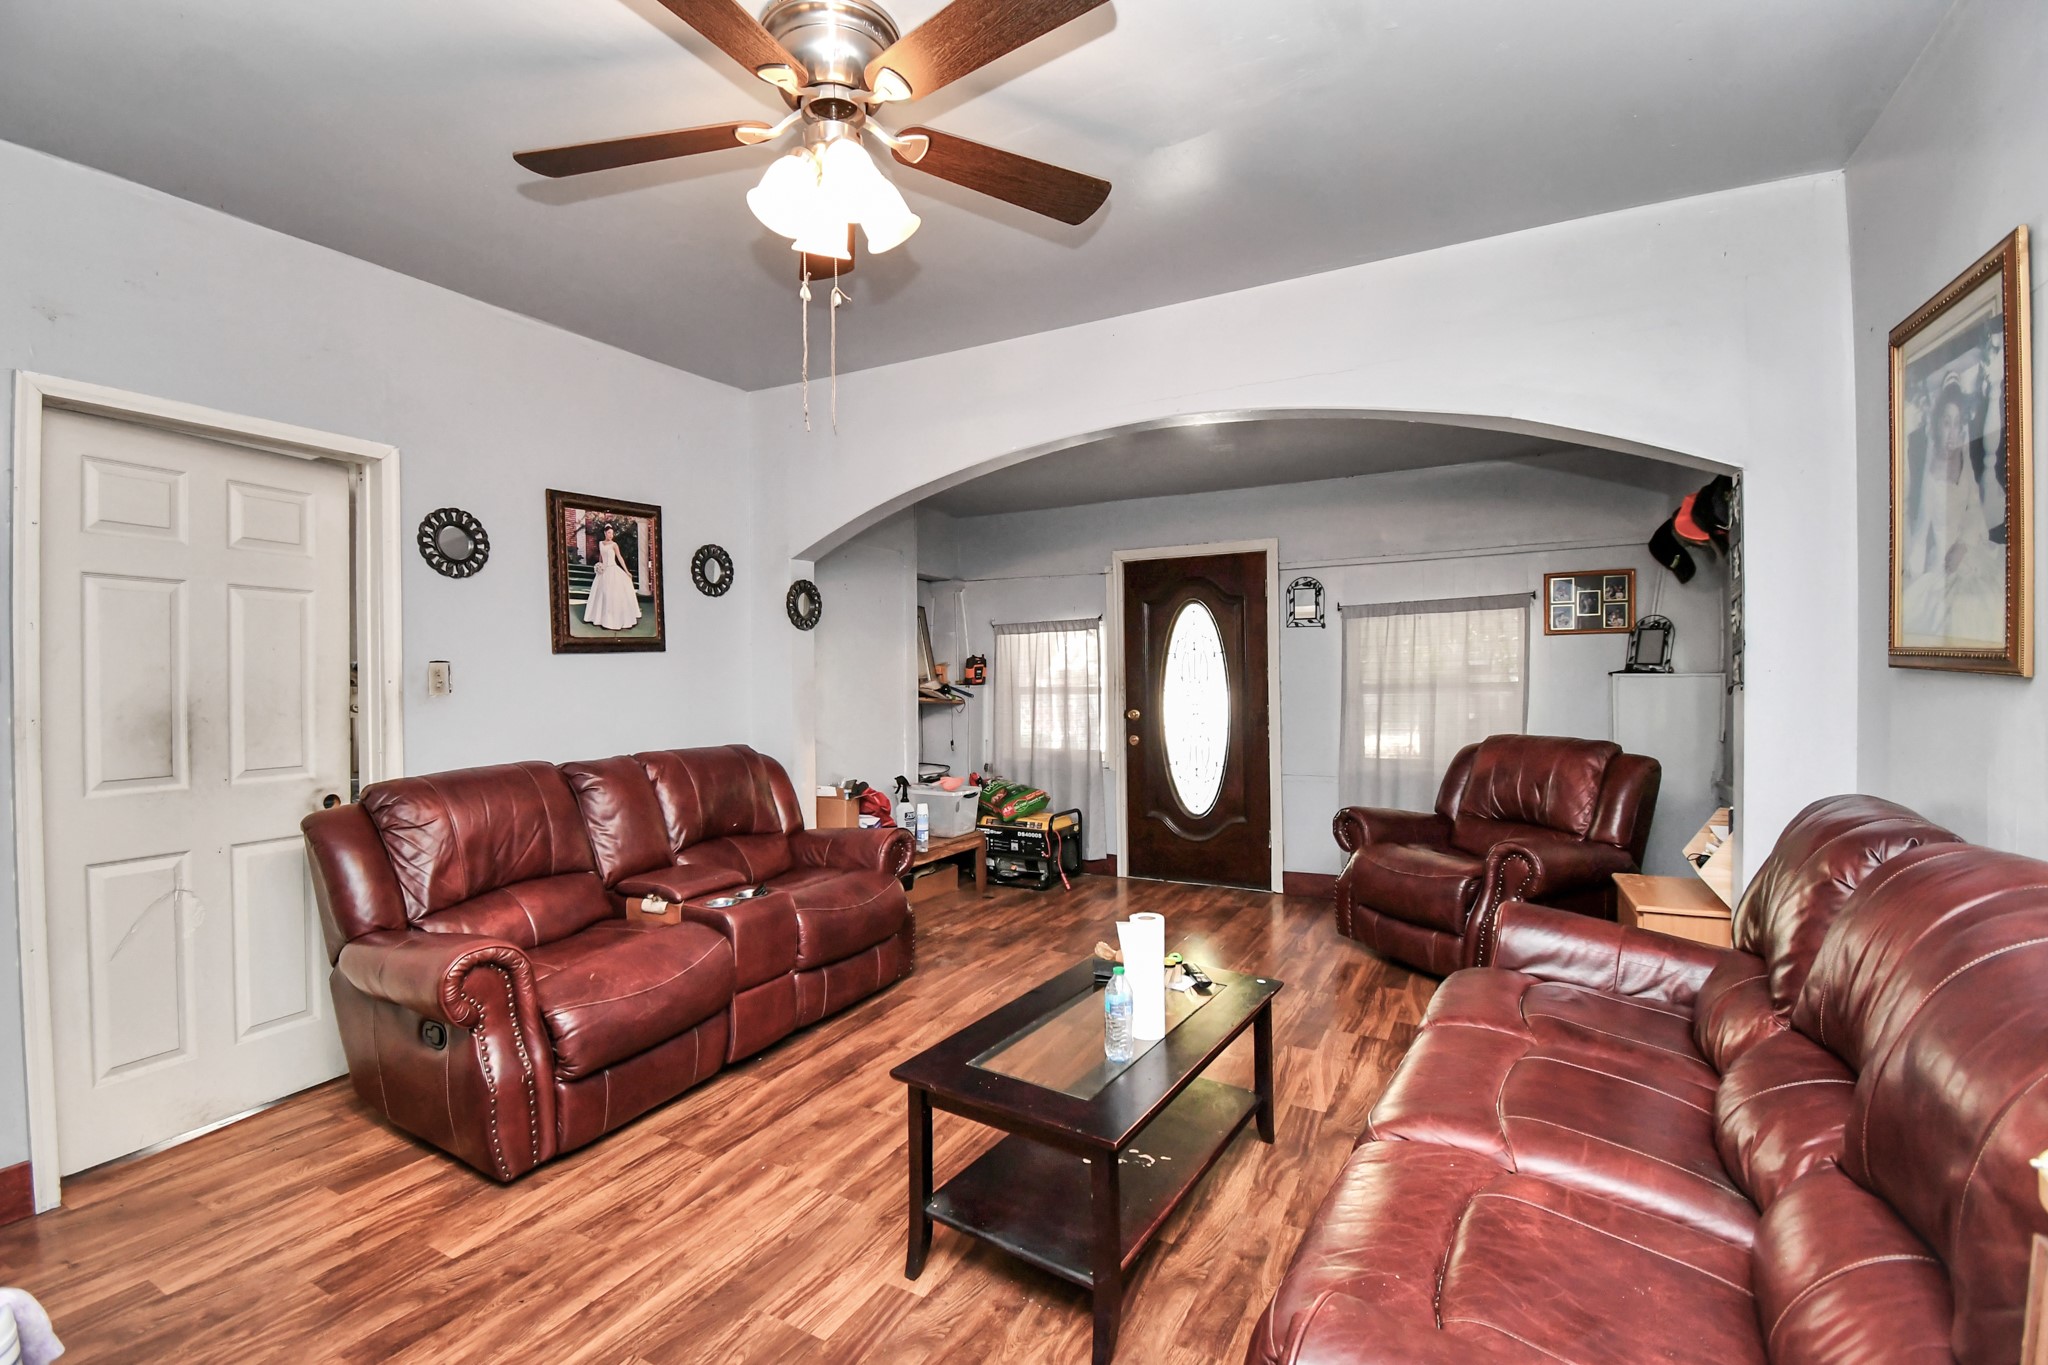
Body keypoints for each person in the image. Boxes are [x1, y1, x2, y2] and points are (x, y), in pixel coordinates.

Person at [1902, 378, 2002, 645]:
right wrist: (1911, 568)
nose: (1952, 432)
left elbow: (1973, 507)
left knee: (1998, 594)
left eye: (1957, 424)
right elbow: (1922, 527)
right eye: (1947, 422)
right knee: (1961, 615)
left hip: (1967, 547)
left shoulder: (1964, 456)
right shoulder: (1931, 473)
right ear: (1936, 424)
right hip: (1943, 563)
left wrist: (1963, 544)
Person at [583, 524, 643, 631]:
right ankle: (601, 618)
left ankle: (615, 619)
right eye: (609, 533)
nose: (611, 535)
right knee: (603, 593)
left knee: (614, 594)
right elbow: (601, 556)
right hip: (604, 571)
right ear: (605, 533)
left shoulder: (614, 545)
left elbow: (619, 557)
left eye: (612, 533)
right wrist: (599, 565)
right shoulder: (601, 543)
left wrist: (627, 571)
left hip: (613, 569)